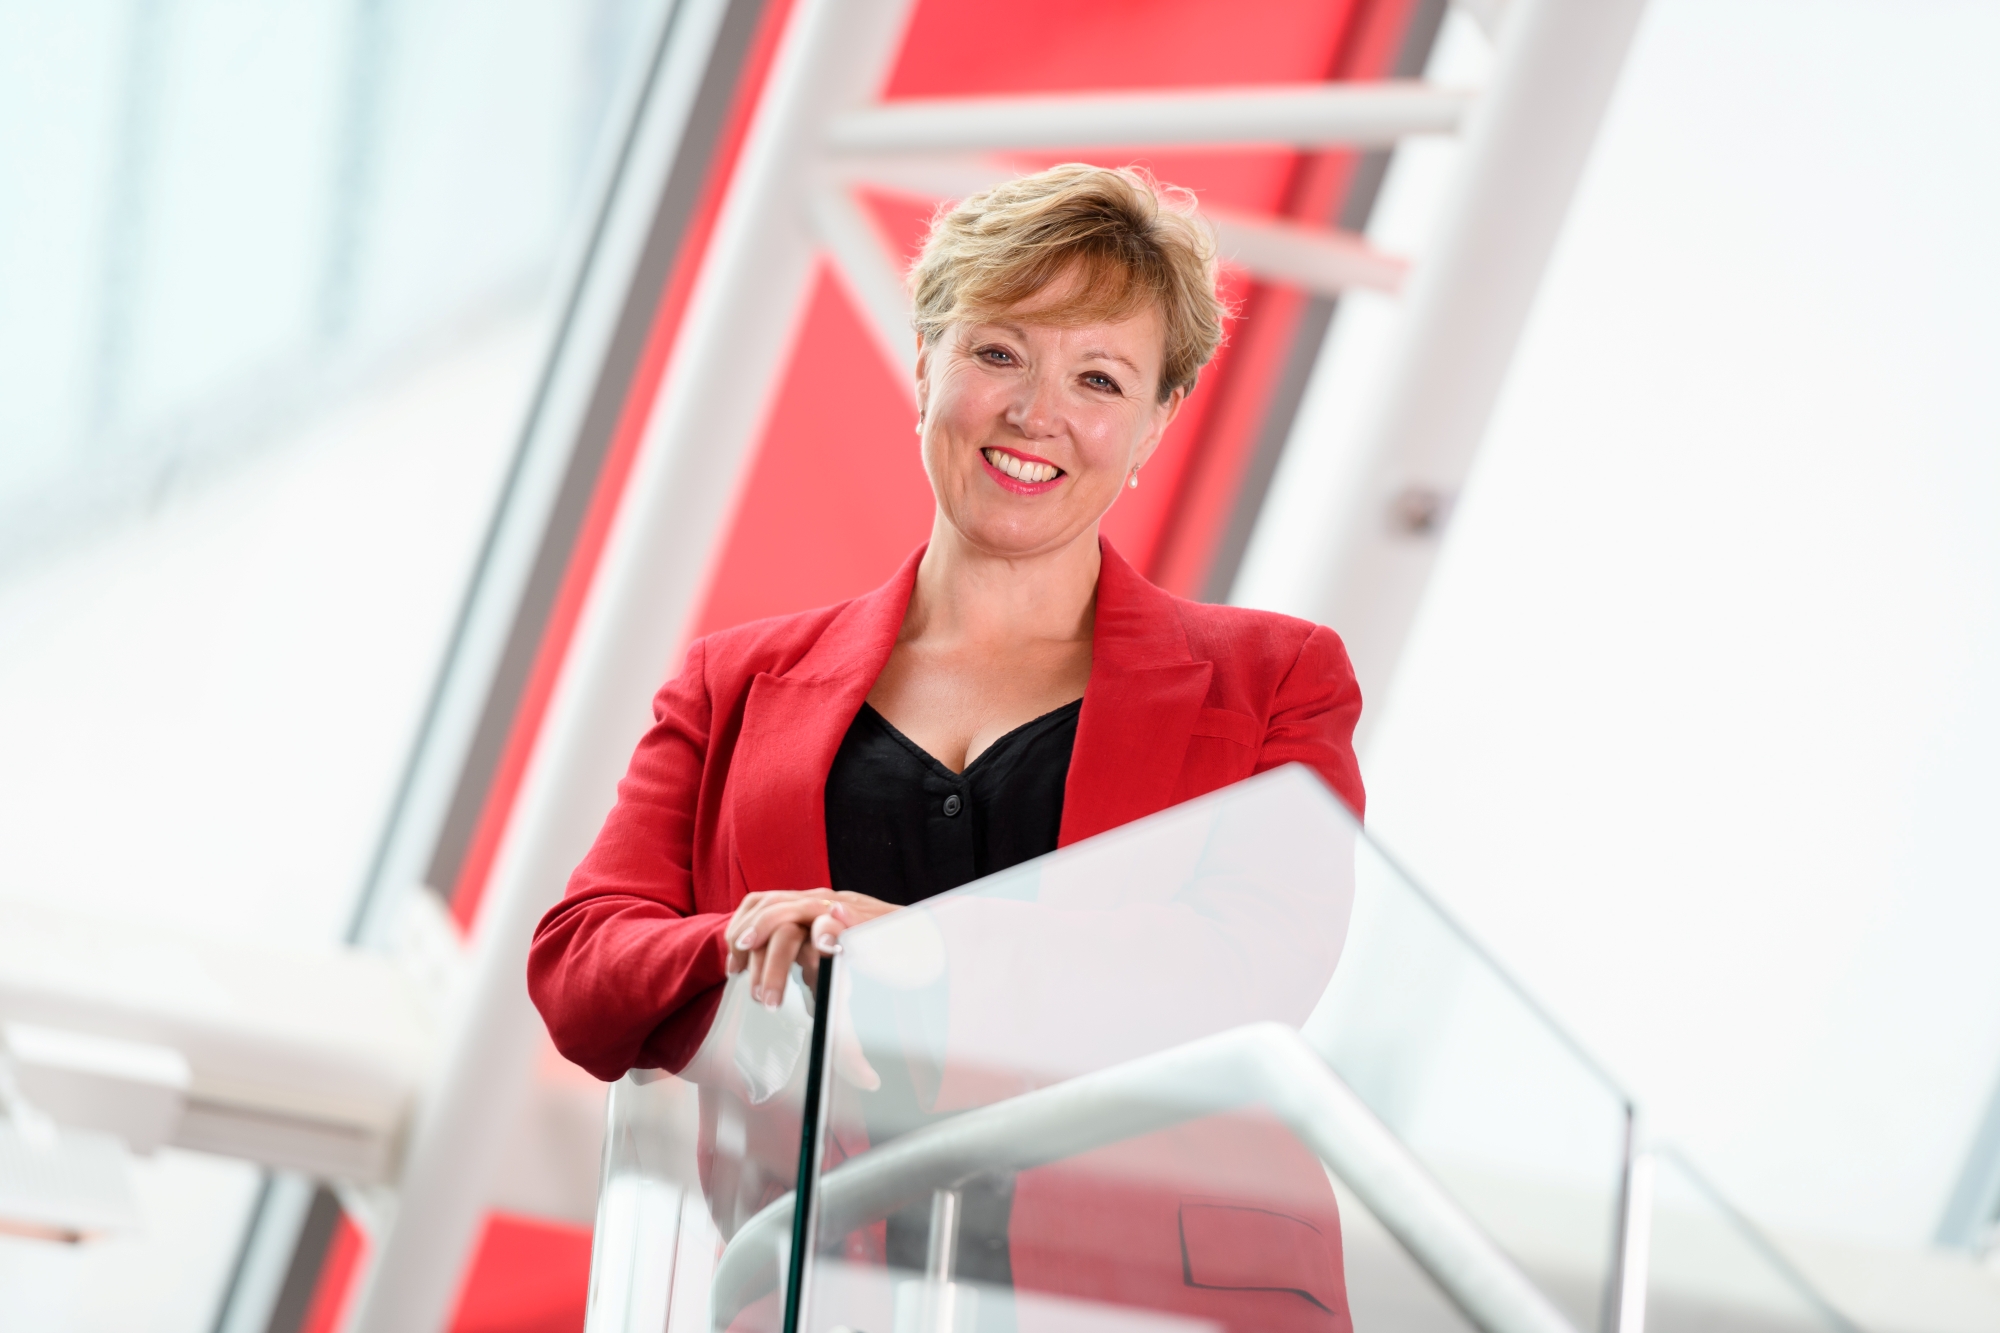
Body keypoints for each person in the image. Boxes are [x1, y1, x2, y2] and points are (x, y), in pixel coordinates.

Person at [529, 164, 1365, 1331]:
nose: (1035, 411)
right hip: (828, 1292)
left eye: (1098, 378)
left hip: (1159, 1300)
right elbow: (579, 963)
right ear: (924, 361)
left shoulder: (1276, 679)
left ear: (1154, 424)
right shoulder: (732, 683)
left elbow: (1252, 963)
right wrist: (747, 941)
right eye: (998, 352)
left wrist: (927, 955)